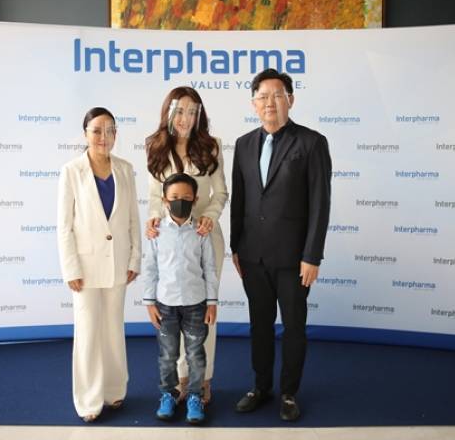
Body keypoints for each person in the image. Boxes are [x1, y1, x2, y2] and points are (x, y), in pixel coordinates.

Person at [230, 69, 332, 421]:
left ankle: (289, 393)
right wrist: (236, 248)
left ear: (291, 99)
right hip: (253, 256)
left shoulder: (311, 143)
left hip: (293, 259)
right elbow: (240, 200)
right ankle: (261, 387)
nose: (269, 102)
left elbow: (320, 203)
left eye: (277, 95)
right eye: (262, 96)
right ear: (253, 103)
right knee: (259, 326)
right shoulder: (244, 144)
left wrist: (312, 255)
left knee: (293, 328)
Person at [57, 107, 141, 422]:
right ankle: (89, 400)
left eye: (110, 130)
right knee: (88, 333)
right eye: (96, 130)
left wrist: (135, 258)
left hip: (118, 264)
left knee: (113, 330)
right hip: (85, 268)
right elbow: (64, 226)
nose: (103, 137)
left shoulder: (125, 169)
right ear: (85, 134)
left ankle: (114, 390)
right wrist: (71, 268)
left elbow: (132, 218)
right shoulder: (71, 171)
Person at [145, 86, 228, 404]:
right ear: (169, 112)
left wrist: (209, 216)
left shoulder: (212, 146)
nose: (186, 118)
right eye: (180, 111)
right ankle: (181, 380)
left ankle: (202, 379)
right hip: (169, 241)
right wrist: (154, 218)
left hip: (204, 238)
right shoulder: (154, 146)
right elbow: (155, 197)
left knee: (202, 312)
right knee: (172, 310)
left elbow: (220, 193)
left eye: (193, 112)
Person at [141, 173, 219, 424]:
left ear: (195, 200)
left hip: (196, 304)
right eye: (174, 197)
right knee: (167, 355)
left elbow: (210, 268)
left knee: (195, 354)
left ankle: (195, 396)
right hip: (165, 305)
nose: (180, 201)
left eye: (186, 197)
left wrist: (212, 302)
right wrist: (149, 303)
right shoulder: (156, 232)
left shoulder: (201, 232)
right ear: (165, 200)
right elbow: (150, 268)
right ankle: (169, 394)